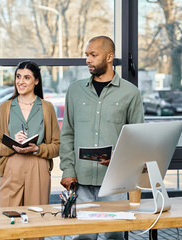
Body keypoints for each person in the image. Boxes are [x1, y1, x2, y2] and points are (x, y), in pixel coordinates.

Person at [59, 36, 144, 240]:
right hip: (80, 181)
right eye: (87, 55)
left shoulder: (130, 93)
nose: (88, 59)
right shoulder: (75, 90)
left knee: (114, 237)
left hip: (115, 182)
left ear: (109, 57)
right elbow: (67, 132)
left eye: (93, 55)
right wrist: (68, 170)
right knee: (83, 237)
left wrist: (120, 159)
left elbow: (137, 138)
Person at [0, 60, 60, 210]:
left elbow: (56, 146)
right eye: (18, 76)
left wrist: (37, 149)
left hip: (38, 167)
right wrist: (12, 145)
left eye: (27, 78)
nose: (20, 82)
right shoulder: (5, 107)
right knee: (7, 222)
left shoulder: (47, 108)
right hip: (11, 167)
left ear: (36, 81)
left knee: (36, 223)